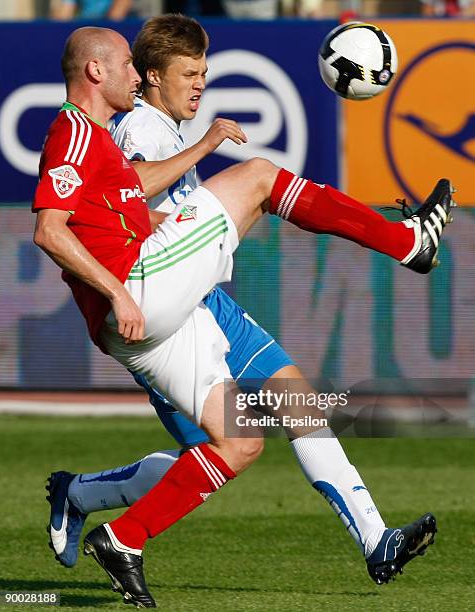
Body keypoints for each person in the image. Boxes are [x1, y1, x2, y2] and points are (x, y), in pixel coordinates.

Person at [34, 24, 452, 608]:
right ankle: (408, 243)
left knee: (253, 434)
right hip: (151, 294)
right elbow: (59, 224)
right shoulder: (121, 128)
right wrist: (202, 159)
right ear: (138, 75)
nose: (201, 84)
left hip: (191, 300)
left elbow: (121, 207)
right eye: (189, 73)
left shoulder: (109, 133)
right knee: (258, 177)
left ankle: (374, 538)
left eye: (204, 73)